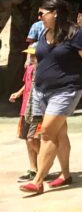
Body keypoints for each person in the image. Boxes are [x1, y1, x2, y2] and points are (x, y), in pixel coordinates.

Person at [19, 0, 82, 194]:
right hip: (42, 91)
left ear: (55, 13)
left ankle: (38, 181)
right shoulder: (45, 33)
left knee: (47, 133)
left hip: (66, 90)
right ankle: (66, 175)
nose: (39, 17)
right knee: (60, 133)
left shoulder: (77, 34)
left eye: (42, 13)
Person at [10, 44, 41, 181]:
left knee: (32, 138)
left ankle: (44, 163)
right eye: (30, 54)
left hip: (36, 108)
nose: (31, 57)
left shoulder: (41, 70)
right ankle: (33, 168)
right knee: (27, 140)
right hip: (25, 109)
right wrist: (18, 93)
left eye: (34, 55)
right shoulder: (28, 68)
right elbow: (26, 84)